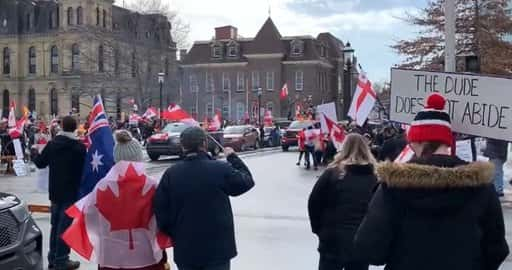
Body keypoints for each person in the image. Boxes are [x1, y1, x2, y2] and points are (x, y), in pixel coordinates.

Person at [354, 93, 509, 270]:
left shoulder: (393, 186)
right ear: (447, 140)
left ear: (417, 140)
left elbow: (369, 247)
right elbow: (497, 250)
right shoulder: (482, 187)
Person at [153, 127, 255, 270]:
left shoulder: (172, 174)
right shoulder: (220, 169)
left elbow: (160, 210)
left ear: (183, 146)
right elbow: (247, 182)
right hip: (217, 249)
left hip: (186, 248)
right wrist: (233, 157)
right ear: (204, 144)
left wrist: (176, 232)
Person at [95, 130, 169, 270]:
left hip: (112, 258)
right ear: (138, 158)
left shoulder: (102, 186)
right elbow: (163, 220)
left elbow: (94, 222)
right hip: (147, 256)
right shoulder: (152, 185)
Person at [308, 133, 377, 270]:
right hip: (361, 239)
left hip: (332, 239)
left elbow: (314, 202)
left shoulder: (333, 173)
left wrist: (318, 229)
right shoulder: (375, 177)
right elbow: (379, 211)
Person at [32, 116, 86, 270]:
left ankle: (53, 258)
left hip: (55, 192)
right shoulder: (79, 147)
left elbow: (40, 163)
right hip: (71, 193)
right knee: (65, 227)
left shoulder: (53, 145)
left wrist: (34, 152)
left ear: (61, 126)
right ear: (75, 127)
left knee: (55, 226)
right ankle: (61, 260)